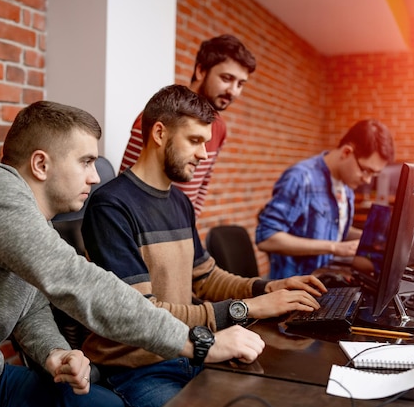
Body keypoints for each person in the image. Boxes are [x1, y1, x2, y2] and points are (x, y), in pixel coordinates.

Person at [0, 101, 265, 407]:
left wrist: (55, 352)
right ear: (41, 164)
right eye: (86, 162)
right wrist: (198, 341)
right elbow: (74, 279)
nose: (95, 177)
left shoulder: (34, 224)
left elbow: (31, 308)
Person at [81, 85, 326, 407]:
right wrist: (247, 309)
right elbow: (143, 315)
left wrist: (267, 288)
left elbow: (206, 277)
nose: (203, 153)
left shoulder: (179, 201)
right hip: (137, 367)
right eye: (195, 140)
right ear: (159, 133)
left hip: (193, 349)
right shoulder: (111, 207)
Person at [119, 34, 256, 216]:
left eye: (240, 84)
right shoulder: (159, 115)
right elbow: (126, 183)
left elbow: (203, 185)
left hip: (181, 229)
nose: (233, 91)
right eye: (226, 78)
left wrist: (190, 225)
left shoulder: (220, 128)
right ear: (201, 70)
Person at [255, 119, 395, 280]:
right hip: (292, 289)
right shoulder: (300, 178)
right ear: (347, 153)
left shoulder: (346, 184)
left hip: (324, 281)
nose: (368, 180)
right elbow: (266, 238)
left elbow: (336, 229)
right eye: (366, 171)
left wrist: (374, 240)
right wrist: (334, 247)